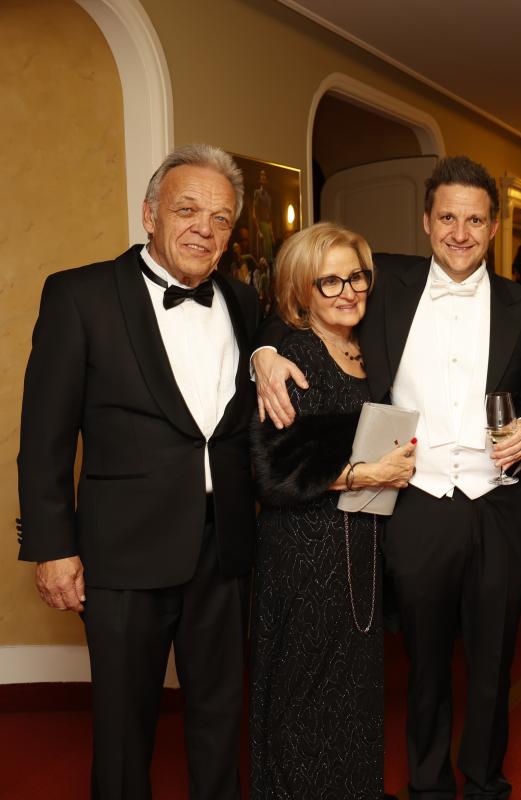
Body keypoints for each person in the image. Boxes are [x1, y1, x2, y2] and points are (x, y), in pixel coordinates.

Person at [254, 156, 521, 800]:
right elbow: (302, 295)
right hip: (415, 501)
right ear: (426, 221)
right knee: (424, 661)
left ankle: (485, 780)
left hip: (497, 503)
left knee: (494, 659)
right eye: (448, 217)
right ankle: (428, 784)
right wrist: (265, 351)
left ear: (495, 226)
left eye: (475, 220)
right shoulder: (382, 283)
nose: (460, 233)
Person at [17, 144, 260, 799]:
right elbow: (43, 437)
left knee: (220, 720)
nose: (204, 229)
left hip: (224, 547)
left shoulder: (243, 302)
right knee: (124, 731)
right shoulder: (80, 295)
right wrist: (53, 548)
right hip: (121, 553)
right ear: (150, 214)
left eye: (221, 218)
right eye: (187, 210)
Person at [248, 222, 415, 798]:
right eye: (330, 282)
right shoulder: (294, 358)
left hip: (360, 545)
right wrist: (366, 475)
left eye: (357, 277)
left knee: (356, 689)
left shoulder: (370, 347)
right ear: (302, 291)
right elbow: (272, 471)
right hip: (304, 553)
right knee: (304, 692)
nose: (348, 291)